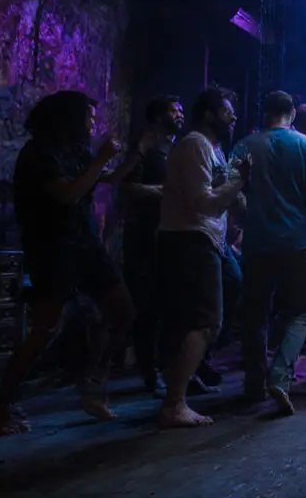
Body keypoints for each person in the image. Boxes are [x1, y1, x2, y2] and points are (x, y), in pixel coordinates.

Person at [0, 91, 139, 436]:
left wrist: (135, 152)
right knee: (45, 328)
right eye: (88, 117)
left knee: (123, 309)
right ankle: (0, 405)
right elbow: (69, 193)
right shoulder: (39, 153)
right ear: (69, 119)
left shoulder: (75, 151)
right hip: (52, 246)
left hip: (83, 243)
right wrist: (101, 159)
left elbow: (108, 179)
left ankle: (92, 382)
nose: (93, 124)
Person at [156, 85, 248, 429]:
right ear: (209, 115)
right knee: (205, 321)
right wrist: (237, 185)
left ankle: (184, 378)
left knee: (208, 313)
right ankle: (174, 402)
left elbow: (225, 200)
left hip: (208, 241)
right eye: (227, 112)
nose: (234, 117)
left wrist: (238, 187)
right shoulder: (195, 144)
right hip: (189, 238)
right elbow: (202, 203)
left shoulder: (216, 150)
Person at [231, 91, 306, 415]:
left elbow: (231, 191)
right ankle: (281, 375)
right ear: (291, 113)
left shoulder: (245, 145)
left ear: (264, 111)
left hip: (257, 242)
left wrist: (249, 216)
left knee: (255, 314)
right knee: (299, 312)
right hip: (299, 240)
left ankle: (254, 383)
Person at [120, 95, 183, 396]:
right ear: (159, 116)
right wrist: (162, 192)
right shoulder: (144, 144)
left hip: (172, 232)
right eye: (174, 110)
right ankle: (149, 371)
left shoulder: (179, 145)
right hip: (144, 234)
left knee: (172, 304)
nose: (180, 115)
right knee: (148, 306)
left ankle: (173, 367)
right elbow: (126, 187)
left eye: (181, 110)